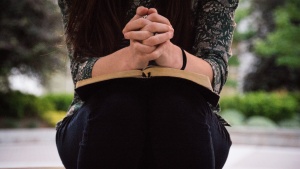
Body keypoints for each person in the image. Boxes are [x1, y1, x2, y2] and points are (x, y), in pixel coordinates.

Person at [56, 0, 239, 168]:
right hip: (97, 119)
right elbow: (79, 72)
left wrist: (169, 53)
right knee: (119, 104)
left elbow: (216, 73)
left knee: (175, 104)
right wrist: (130, 57)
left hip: (190, 120)